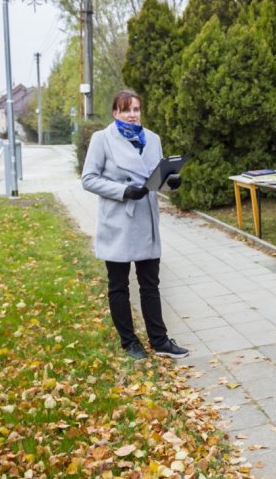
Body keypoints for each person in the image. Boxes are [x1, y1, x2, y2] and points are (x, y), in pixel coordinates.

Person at [82, 90, 189, 361]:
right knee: (118, 285)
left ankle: (160, 341)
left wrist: (171, 183)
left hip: (146, 219)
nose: (132, 115)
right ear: (115, 113)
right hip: (118, 221)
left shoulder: (152, 139)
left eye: (136, 109)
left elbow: (156, 178)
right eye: (126, 109)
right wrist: (123, 191)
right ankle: (129, 342)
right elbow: (88, 179)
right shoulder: (102, 139)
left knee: (150, 283)